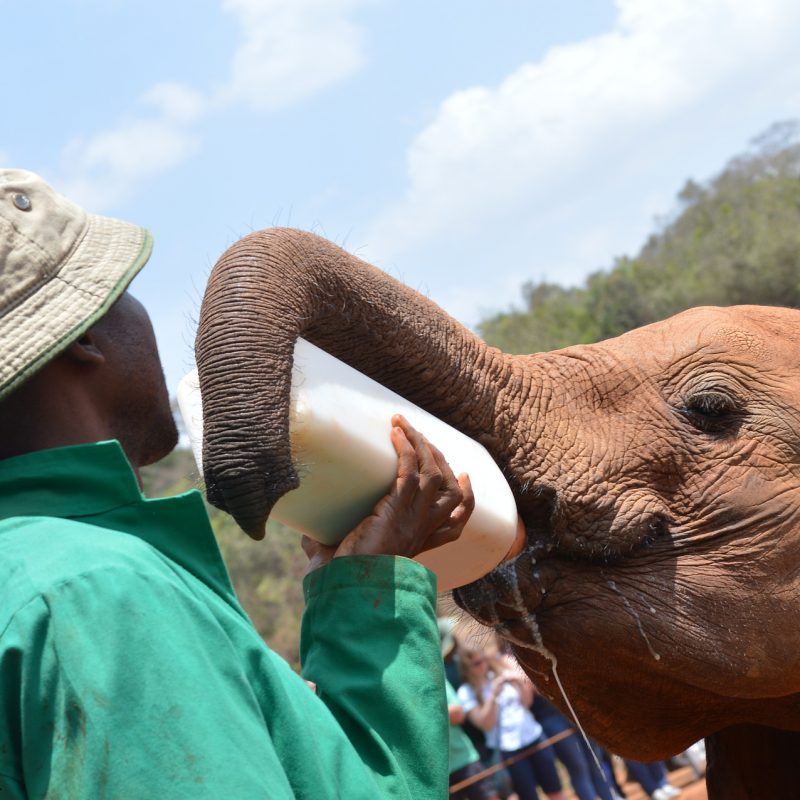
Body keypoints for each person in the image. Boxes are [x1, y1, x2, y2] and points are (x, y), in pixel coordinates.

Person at [0, 169, 475, 798]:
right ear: (84, 336)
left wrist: (361, 594)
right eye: (124, 292)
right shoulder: (97, 596)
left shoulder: (36, 580)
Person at [457, 644, 565, 800]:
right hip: (508, 749)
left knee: (555, 790)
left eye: (483, 660)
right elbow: (486, 724)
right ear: (467, 668)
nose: (482, 665)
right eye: (476, 663)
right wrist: (493, 696)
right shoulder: (466, 692)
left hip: (533, 736)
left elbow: (527, 703)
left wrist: (520, 683)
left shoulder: (499, 673)